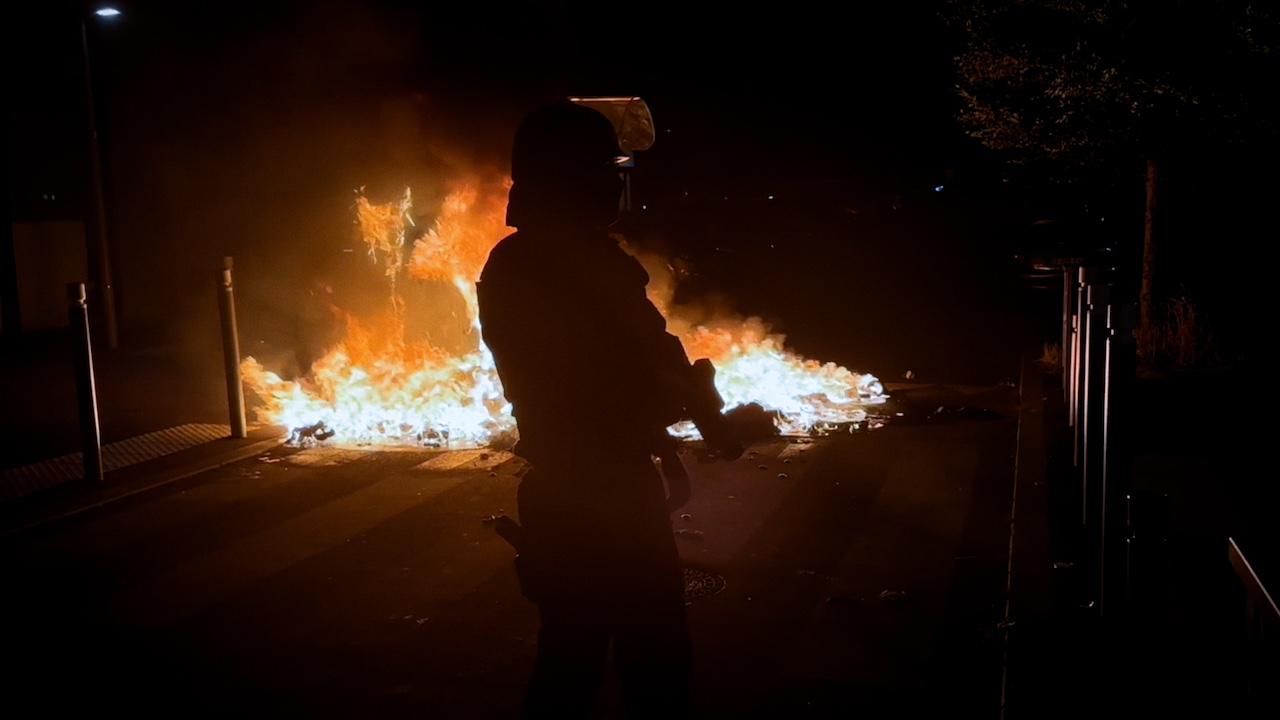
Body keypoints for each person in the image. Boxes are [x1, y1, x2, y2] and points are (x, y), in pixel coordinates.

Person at [477, 102, 735, 718]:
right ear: (576, 179)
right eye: (601, 169)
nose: (613, 183)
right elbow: (629, 372)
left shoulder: (512, 262)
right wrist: (699, 408)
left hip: (560, 487)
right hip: (609, 491)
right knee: (655, 658)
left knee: (569, 657)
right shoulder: (589, 266)